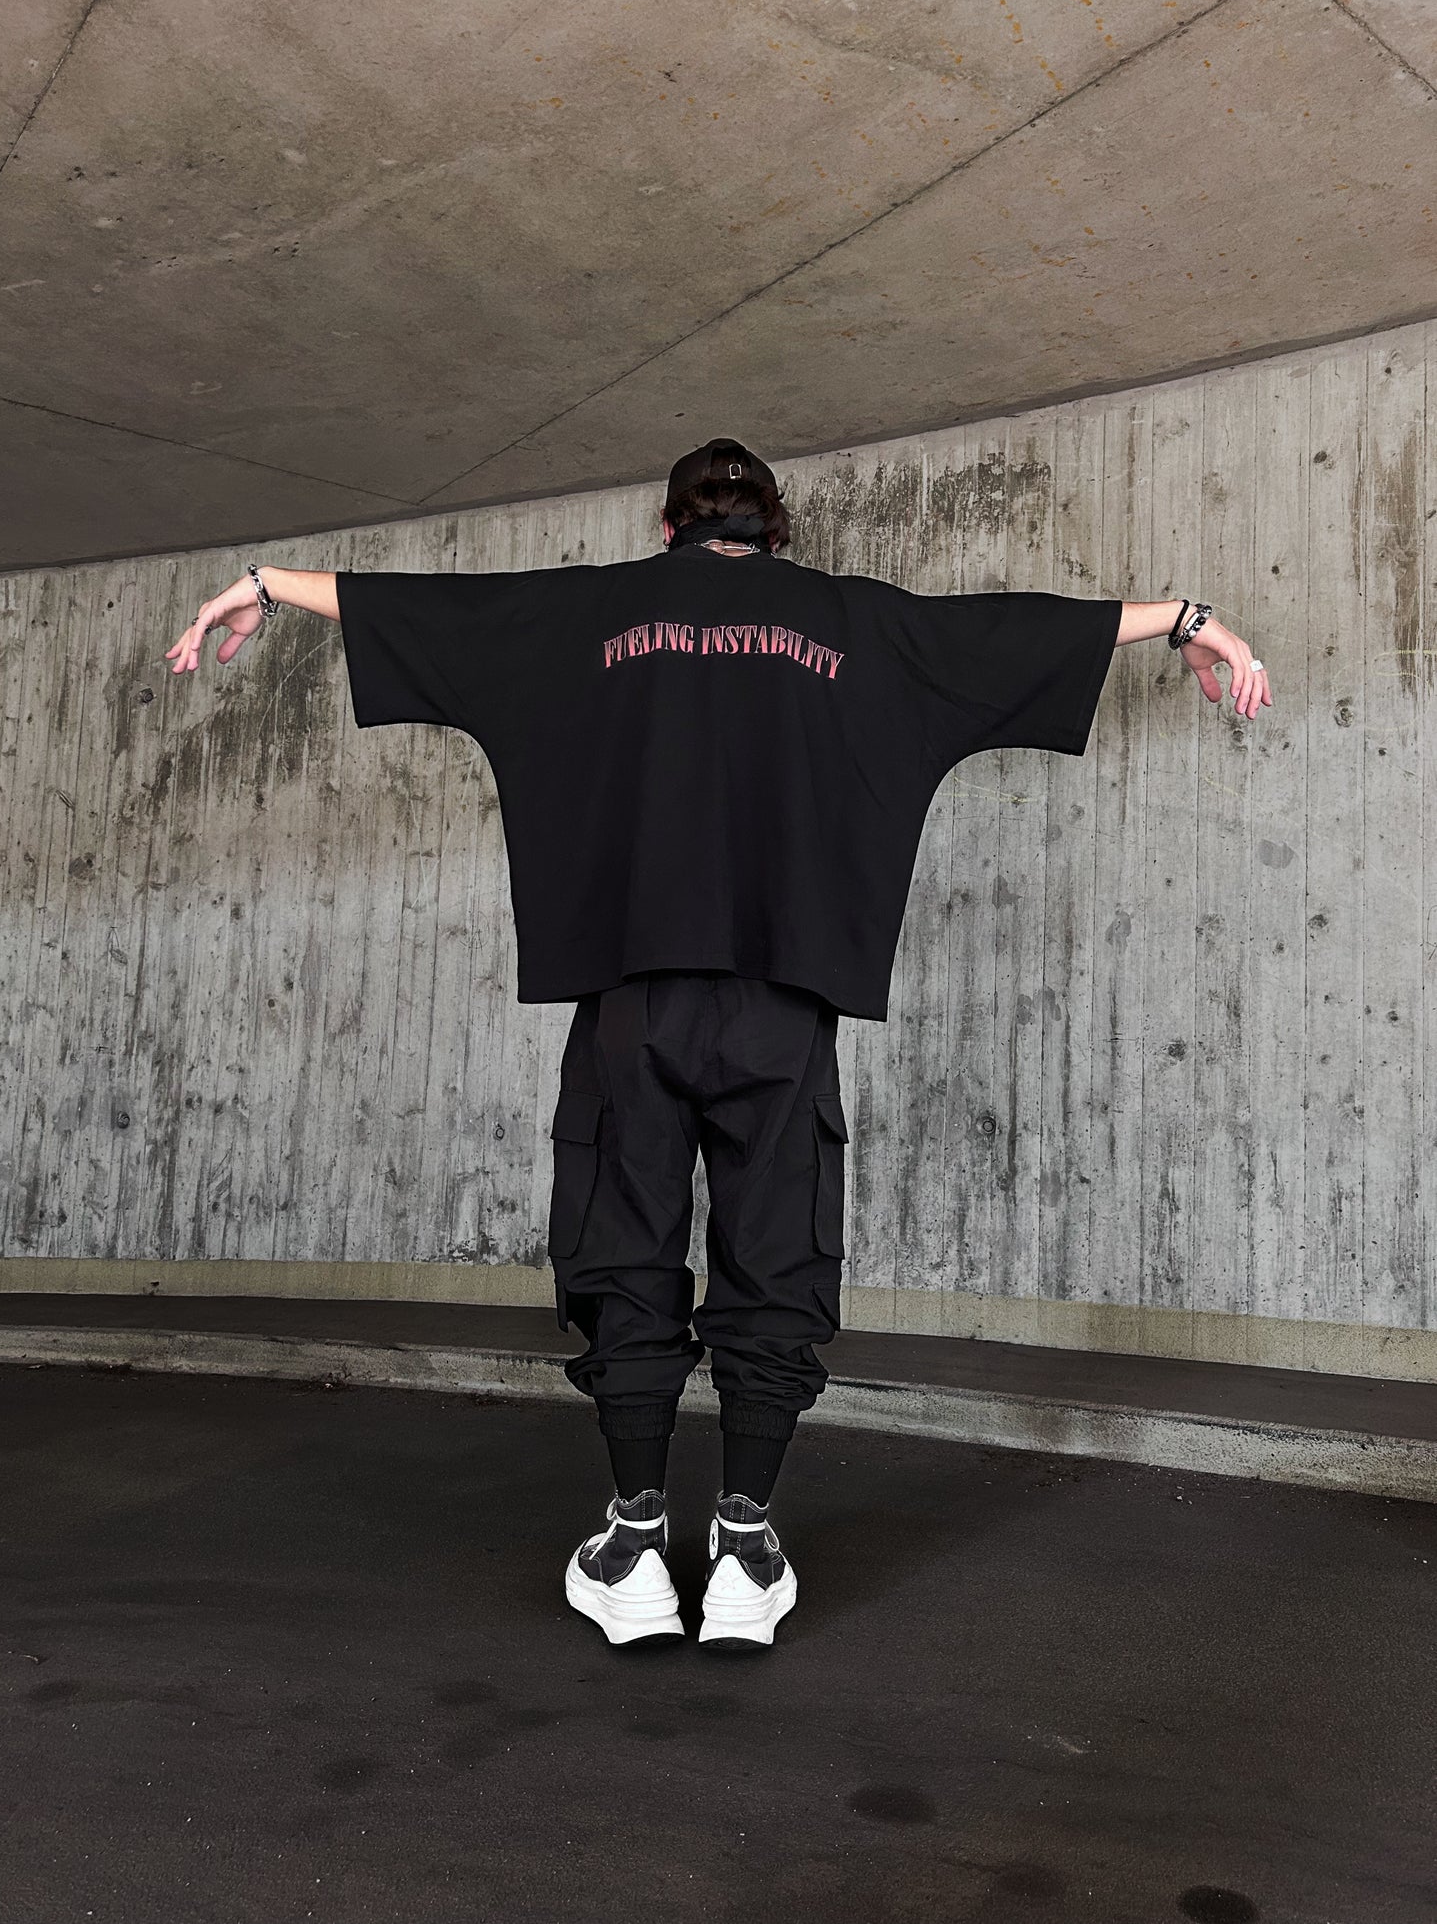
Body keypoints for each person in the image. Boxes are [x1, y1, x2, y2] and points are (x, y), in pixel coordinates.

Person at [166, 437, 1272, 1652]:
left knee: (623, 1247)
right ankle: (744, 1544)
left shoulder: (593, 611)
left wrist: (265, 583)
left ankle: (635, 1538)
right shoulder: (854, 626)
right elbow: (1009, 632)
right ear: (774, 533)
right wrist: (1188, 620)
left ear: (665, 529)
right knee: (776, 1257)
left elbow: (430, 609)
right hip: (780, 1007)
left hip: (631, 1004)